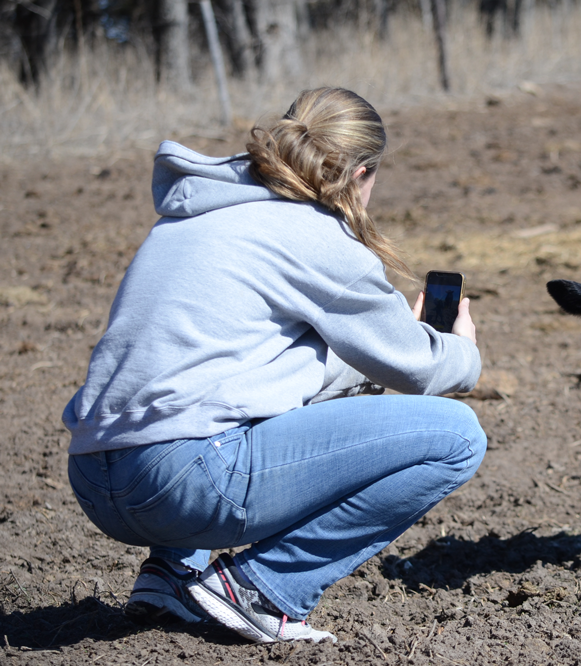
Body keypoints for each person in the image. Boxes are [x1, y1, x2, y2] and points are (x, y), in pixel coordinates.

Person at [63, 87, 487, 644]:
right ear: (362, 173)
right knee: (457, 437)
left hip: (94, 479)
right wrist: (461, 350)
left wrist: (369, 365)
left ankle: (171, 572)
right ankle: (264, 588)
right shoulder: (316, 235)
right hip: (184, 483)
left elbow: (261, 370)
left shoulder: (195, 213)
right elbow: (418, 371)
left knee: (203, 392)